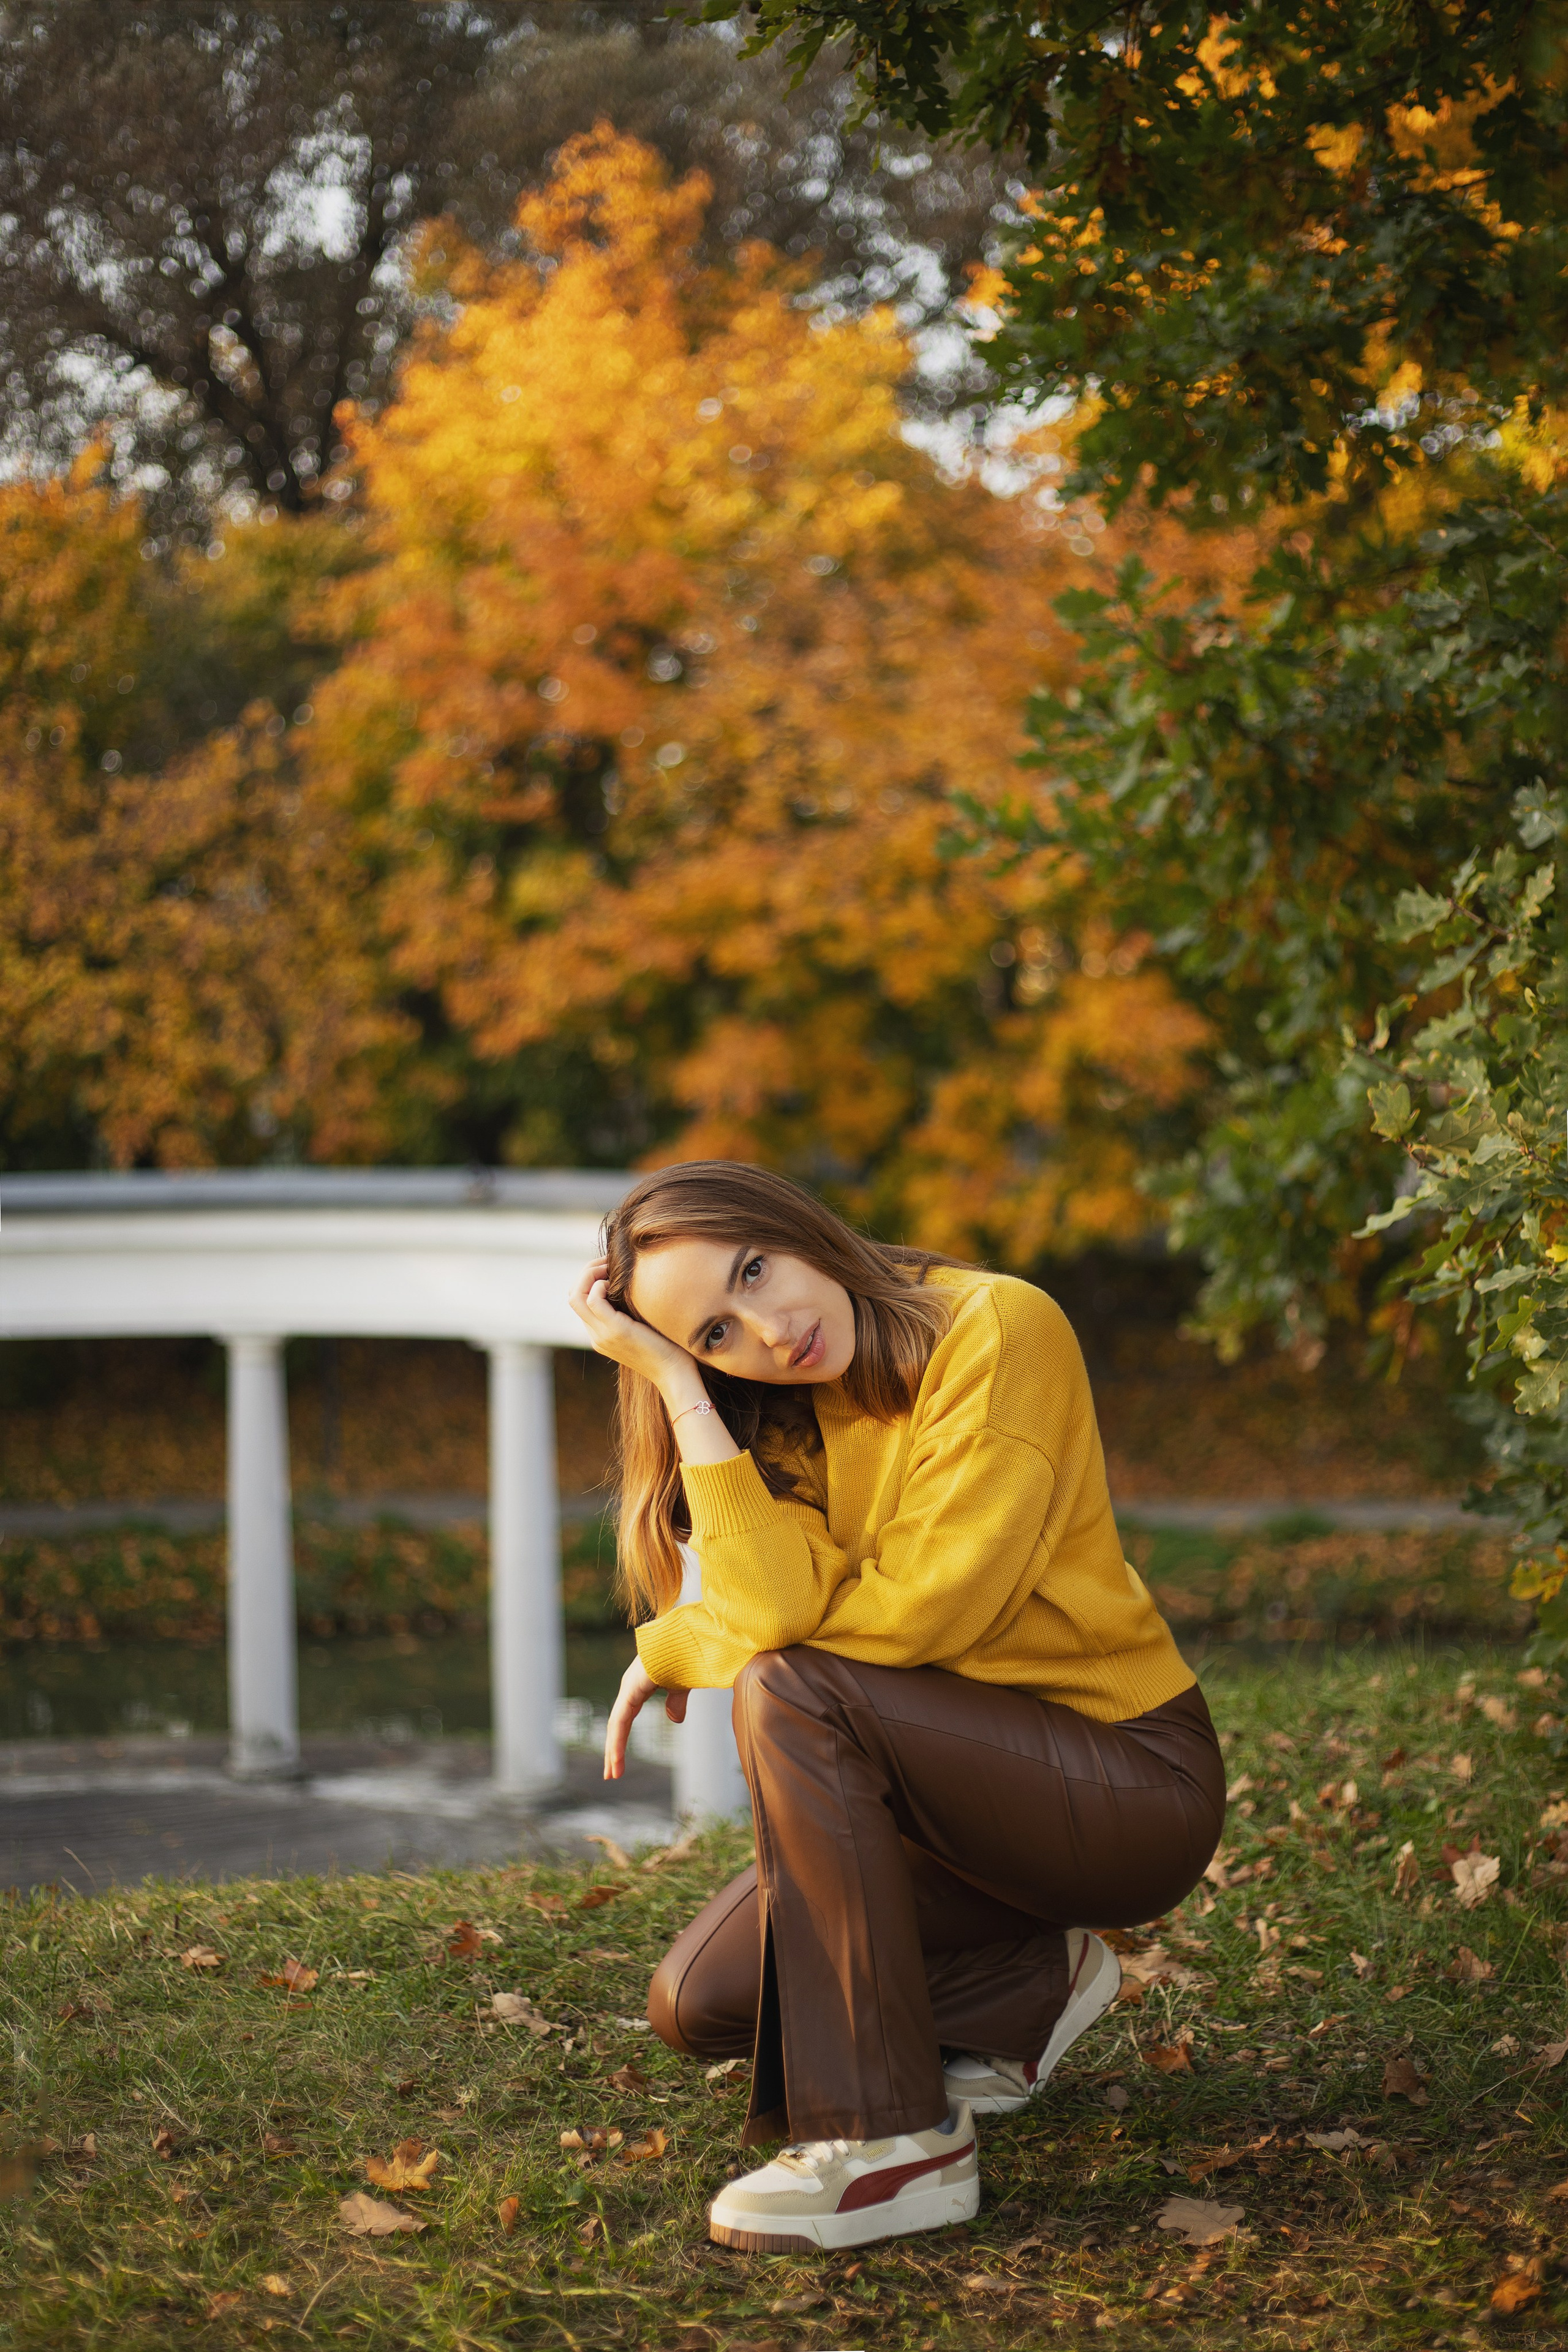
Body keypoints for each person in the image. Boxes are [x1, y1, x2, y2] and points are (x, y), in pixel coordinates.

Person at [568, 1161, 1224, 2255]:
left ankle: (889, 2141)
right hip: (953, 1808)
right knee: (702, 2001)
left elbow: (927, 1616)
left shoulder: (998, 1328)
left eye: (757, 1270)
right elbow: (780, 1604)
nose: (771, 1332)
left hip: (1126, 1782)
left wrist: (692, 1642)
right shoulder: (774, 1420)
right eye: (718, 1334)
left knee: (792, 1691)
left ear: (794, 1228)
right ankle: (1031, 1977)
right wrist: (679, 1388)